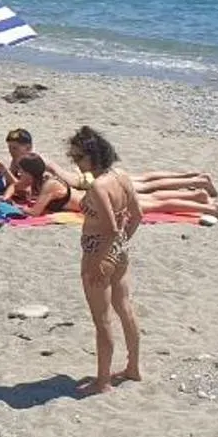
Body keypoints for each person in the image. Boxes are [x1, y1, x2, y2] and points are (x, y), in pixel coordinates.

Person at [67, 125, 142, 394]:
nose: (76, 164)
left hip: (97, 252)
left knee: (103, 320)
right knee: (125, 308)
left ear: (93, 156)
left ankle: (103, 382)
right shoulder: (121, 176)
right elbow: (137, 215)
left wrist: (104, 257)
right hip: (118, 251)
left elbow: (110, 227)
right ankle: (133, 367)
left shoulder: (99, 186)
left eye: (79, 158)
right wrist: (120, 246)